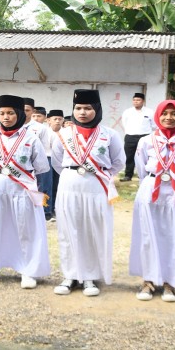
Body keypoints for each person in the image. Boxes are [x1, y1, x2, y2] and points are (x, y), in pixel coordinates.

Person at [51, 89, 125, 297]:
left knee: (92, 229)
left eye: (88, 108)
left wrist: (98, 175)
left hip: (96, 188)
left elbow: (118, 162)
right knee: (68, 229)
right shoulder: (64, 135)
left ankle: (90, 277)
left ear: (97, 109)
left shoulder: (109, 135)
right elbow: (57, 162)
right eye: (78, 108)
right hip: (69, 186)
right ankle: (70, 275)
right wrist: (74, 175)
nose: (82, 112)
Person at [129, 100, 175, 302]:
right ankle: (148, 280)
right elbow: (142, 168)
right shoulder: (146, 141)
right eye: (165, 114)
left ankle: (170, 283)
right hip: (151, 189)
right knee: (147, 235)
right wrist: (155, 182)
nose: (169, 118)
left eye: (174, 114)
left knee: (174, 236)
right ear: (158, 116)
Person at [0, 95, 50, 289]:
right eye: (2, 113)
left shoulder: (31, 138)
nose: (5, 117)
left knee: (25, 227)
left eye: (10, 113)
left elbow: (41, 166)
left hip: (23, 185)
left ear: (20, 114)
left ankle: (28, 270)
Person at [22, 98, 53, 222]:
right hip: (19, 165)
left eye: (27, 110)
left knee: (40, 188)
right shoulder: (13, 126)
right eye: (21, 110)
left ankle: (42, 212)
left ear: (33, 111)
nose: (24, 113)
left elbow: (45, 148)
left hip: (36, 163)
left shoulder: (40, 128)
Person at [120, 93, 154, 182]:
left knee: (145, 156)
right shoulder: (127, 112)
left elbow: (154, 125)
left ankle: (145, 175)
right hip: (130, 136)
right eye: (134, 100)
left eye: (138, 100)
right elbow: (124, 123)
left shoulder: (149, 112)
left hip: (145, 136)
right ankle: (128, 175)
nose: (136, 102)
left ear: (143, 101)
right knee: (129, 156)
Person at [46, 109, 64, 222]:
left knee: (58, 185)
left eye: (60, 119)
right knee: (48, 185)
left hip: (62, 162)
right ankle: (48, 210)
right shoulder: (45, 132)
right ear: (48, 120)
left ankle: (57, 208)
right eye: (55, 119)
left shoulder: (66, 132)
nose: (57, 121)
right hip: (48, 160)